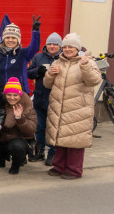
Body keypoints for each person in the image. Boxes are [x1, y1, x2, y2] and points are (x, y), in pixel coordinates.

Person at [43, 33, 101, 180]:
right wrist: (49, 74)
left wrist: (85, 66)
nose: (68, 49)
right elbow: (46, 84)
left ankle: (74, 170)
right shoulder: (58, 62)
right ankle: (59, 166)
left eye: (71, 47)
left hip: (78, 108)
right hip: (59, 107)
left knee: (75, 141)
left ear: (78, 48)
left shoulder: (87, 61)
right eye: (65, 47)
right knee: (61, 139)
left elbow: (94, 81)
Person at [27, 33, 62, 165]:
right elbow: (28, 73)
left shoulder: (63, 58)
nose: (52, 46)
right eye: (49, 44)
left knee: (53, 128)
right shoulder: (38, 56)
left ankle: (52, 154)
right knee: (39, 127)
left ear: (60, 46)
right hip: (40, 98)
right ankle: (40, 153)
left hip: (56, 99)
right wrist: (38, 71)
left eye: (55, 44)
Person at [0, 17, 42, 92]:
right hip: (1, 93)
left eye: (13, 38)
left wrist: (35, 31)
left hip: (20, 93)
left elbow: (35, 47)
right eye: (7, 37)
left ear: (18, 40)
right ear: (3, 39)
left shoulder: (23, 53)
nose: (10, 40)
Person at [0, 78, 37, 175]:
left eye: (15, 95)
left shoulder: (28, 107)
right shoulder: (1, 104)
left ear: (20, 95)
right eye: (9, 95)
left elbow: (30, 131)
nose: (12, 98)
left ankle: (16, 164)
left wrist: (19, 118)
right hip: (2, 137)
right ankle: (1, 160)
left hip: (19, 139)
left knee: (16, 147)